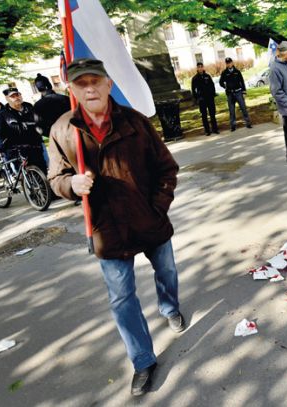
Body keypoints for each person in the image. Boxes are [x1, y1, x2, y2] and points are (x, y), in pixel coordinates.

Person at [48, 58, 183, 397]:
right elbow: (55, 178)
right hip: (107, 229)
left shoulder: (136, 122)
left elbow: (167, 168)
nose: (89, 88)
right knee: (122, 297)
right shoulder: (63, 130)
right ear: (72, 89)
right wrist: (71, 184)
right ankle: (143, 360)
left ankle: (170, 308)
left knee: (166, 270)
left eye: (96, 81)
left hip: (148, 218)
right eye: (81, 83)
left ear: (109, 84)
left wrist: (157, 208)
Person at [0, 87, 47, 173]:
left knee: (42, 170)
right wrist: (2, 145)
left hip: (35, 145)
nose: (16, 98)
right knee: (24, 174)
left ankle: (44, 186)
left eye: (17, 95)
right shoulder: (3, 114)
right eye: (13, 96)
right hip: (16, 150)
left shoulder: (29, 107)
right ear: (7, 99)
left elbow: (39, 122)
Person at [33, 73, 70, 168]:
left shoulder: (38, 105)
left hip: (57, 142)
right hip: (74, 135)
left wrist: (53, 134)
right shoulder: (66, 99)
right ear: (49, 84)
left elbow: (40, 129)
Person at [219, 57, 252, 132]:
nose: (229, 64)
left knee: (243, 108)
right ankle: (233, 125)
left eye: (230, 62)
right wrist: (225, 86)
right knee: (231, 110)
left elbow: (242, 81)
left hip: (238, 92)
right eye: (227, 63)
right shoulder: (224, 72)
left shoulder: (237, 71)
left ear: (232, 63)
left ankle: (248, 123)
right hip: (230, 94)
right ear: (226, 64)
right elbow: (221, 82)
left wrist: (244, 91)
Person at [191, 62, 219, 136]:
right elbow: (193, 90)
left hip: (210, 98)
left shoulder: (207, 76)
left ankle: (215, 129)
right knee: (204, 115)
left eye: (201, 67)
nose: (200, 68)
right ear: (197, 68)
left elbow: (212, 85)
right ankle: (207, 130)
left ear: (203, 67)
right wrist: (197, 98)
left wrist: (213, 93)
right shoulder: (195, 78)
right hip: (202, 99)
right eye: (199, 67)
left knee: (212, 114)